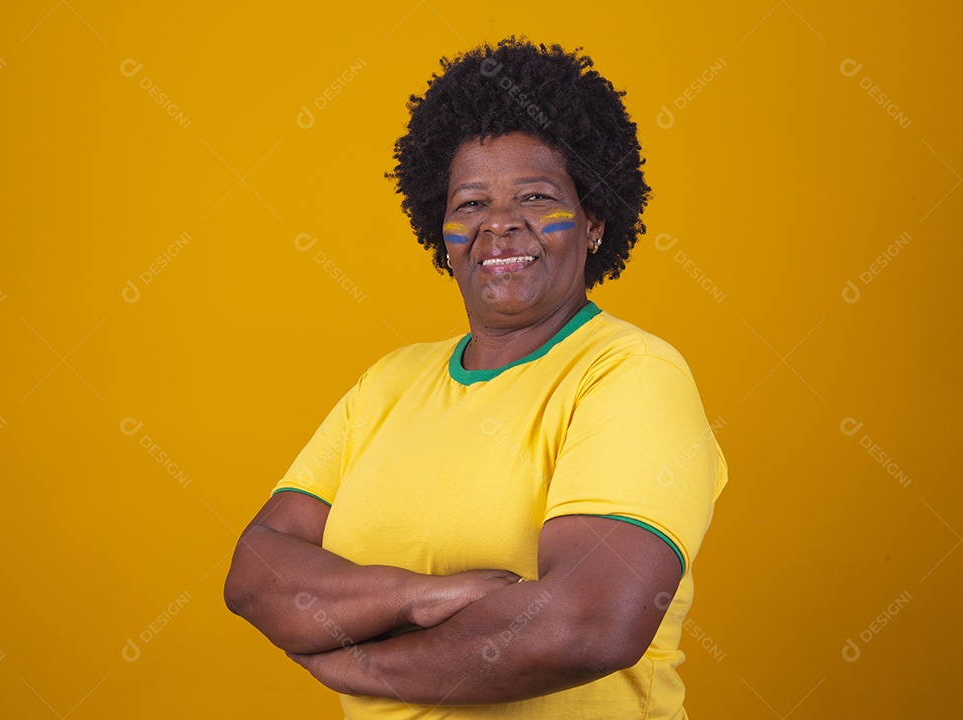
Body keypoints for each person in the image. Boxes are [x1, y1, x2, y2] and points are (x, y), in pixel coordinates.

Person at [224, 37, 728, 719]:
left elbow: (589, 623)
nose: (499, 223)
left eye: (536, 195)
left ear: (594, 223)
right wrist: (416, 596)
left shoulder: (629, 374)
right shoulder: (388, 384)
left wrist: (362, 662)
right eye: (469, 204)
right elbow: (258, 572)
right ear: (442, 234)